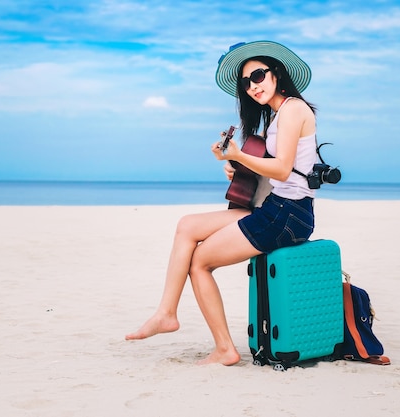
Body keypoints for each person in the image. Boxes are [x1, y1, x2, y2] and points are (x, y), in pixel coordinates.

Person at [125, 41, 318, 366]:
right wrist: (237, 167)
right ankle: (166, 313)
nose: (253, 86)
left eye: (258, 75)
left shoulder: (294, 109)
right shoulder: (275, 116)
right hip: (276, 208)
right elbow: (273, 170)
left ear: (277, 73)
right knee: (187, 226)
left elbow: (284, 168)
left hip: (288, 214)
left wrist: (239, 155)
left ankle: (225, 349)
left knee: (200, 262)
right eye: (245, 82)